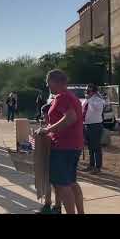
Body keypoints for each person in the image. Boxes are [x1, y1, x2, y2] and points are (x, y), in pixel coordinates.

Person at [35, 69, 85, 214]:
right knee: (72, 182)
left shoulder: (63, 97)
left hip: (64, 146)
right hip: (73, 145)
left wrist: (47, 130)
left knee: (63, 186)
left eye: (47, 83)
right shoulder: (71, 96)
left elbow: (71, 117)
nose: (47, 86)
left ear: (54, 81)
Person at [37, 103, 62, 214]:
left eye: (45, 114)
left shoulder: (56, 126)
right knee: (47, 181)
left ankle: (57, 206)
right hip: (47, 156)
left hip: (57, 155)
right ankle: (47, 204)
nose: (44, 117)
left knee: (57, 183)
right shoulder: (48, 125)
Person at [82, 84, 106, 174]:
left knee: (96, 147)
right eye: (86, 90)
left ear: (94, 92)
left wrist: (89, 99)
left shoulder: (98, 100)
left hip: (95, 125)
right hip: (87, 125)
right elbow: (82, 110)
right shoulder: (86, 100)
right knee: (90, 147)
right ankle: (91, 165)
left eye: (88, 90)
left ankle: (98, 167)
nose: (86, 92)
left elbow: (97, 109)